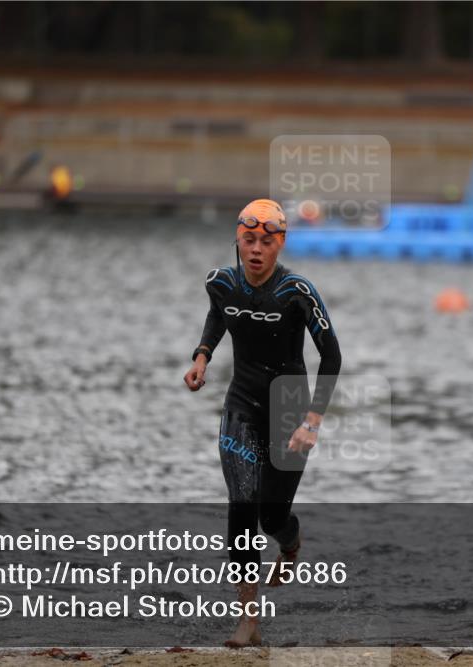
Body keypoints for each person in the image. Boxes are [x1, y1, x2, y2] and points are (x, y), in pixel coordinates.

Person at [183, 198, 342, 648]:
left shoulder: (298, 293)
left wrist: (312, 420)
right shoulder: (221, 283)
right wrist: (202, 357)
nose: (256, 250)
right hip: (241, 404)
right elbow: (220, 315)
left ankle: (290, 543)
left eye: (266, 242)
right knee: (242, 504)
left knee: (272, 515)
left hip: (290, 408)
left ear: (281, 243)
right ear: (238, 238)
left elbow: (332, 356)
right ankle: (248, 617)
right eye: (249, 240)